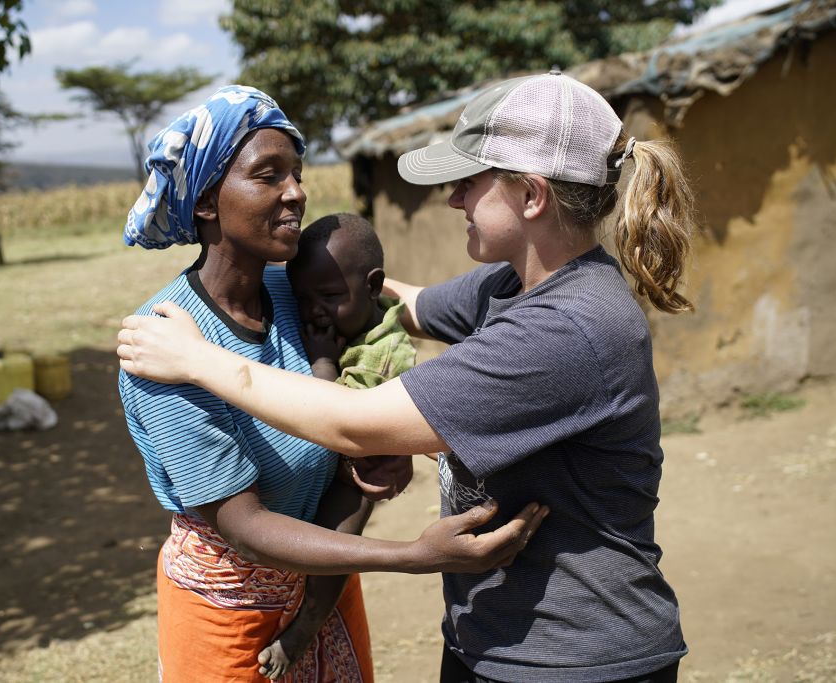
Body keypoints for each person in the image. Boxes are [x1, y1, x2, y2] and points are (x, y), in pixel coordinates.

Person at [118, 72, 695, 682]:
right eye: (269, 175)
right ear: (205, 201)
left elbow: (356, 425)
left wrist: (201, 359)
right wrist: (336, 279)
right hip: (430, 625)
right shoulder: (506, 285)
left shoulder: (564, 326)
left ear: (531, 196)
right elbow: (397, 306)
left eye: (468, 183)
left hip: (571, 656)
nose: (296, 193)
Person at [258, 212, 419, 679]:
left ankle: (305, 627)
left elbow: (344, 421)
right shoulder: (345, 323)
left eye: (328, 297)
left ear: (372, 286)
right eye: (303, 299)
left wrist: (324, 364)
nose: (314, 312)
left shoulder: (384, 350)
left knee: (336, 542)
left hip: (357, 472)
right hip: (336, 464)